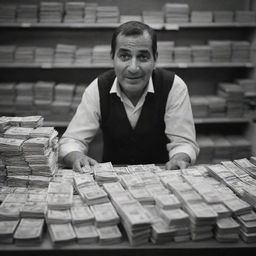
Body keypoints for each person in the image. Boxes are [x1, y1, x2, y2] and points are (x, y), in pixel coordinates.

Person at [58, 21, 199, 172]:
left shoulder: (173, 86)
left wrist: (180, 157)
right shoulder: (98, 88)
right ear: (113, 57)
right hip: (112, 182)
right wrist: (76, 156)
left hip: (162, 176)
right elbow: (72, 140)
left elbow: (184, 142)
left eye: (143, 57)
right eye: (124, 56)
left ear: (155, 59)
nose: (133, 68)